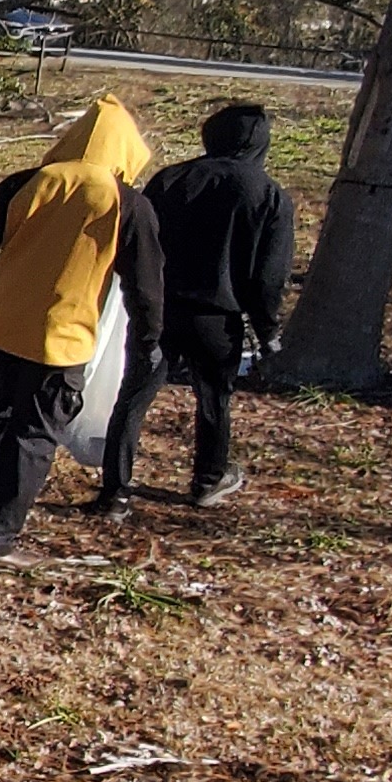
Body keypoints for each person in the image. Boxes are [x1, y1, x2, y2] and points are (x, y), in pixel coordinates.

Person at [0, 97, 164, 561]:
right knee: (33, 436)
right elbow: (145, 289)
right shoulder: (127, 205)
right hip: (62, 340)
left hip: (1, 324)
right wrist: (148, 344)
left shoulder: (29, 183)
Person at [101, 101, 299, 509]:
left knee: (134, 397)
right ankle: (208, 478)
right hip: (218, 317)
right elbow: (268, 277)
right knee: (214, 399)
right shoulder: (268, 195)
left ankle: (115, 492)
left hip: (159, 308)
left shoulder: (172, 179)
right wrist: (268, 331)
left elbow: (138, 243)